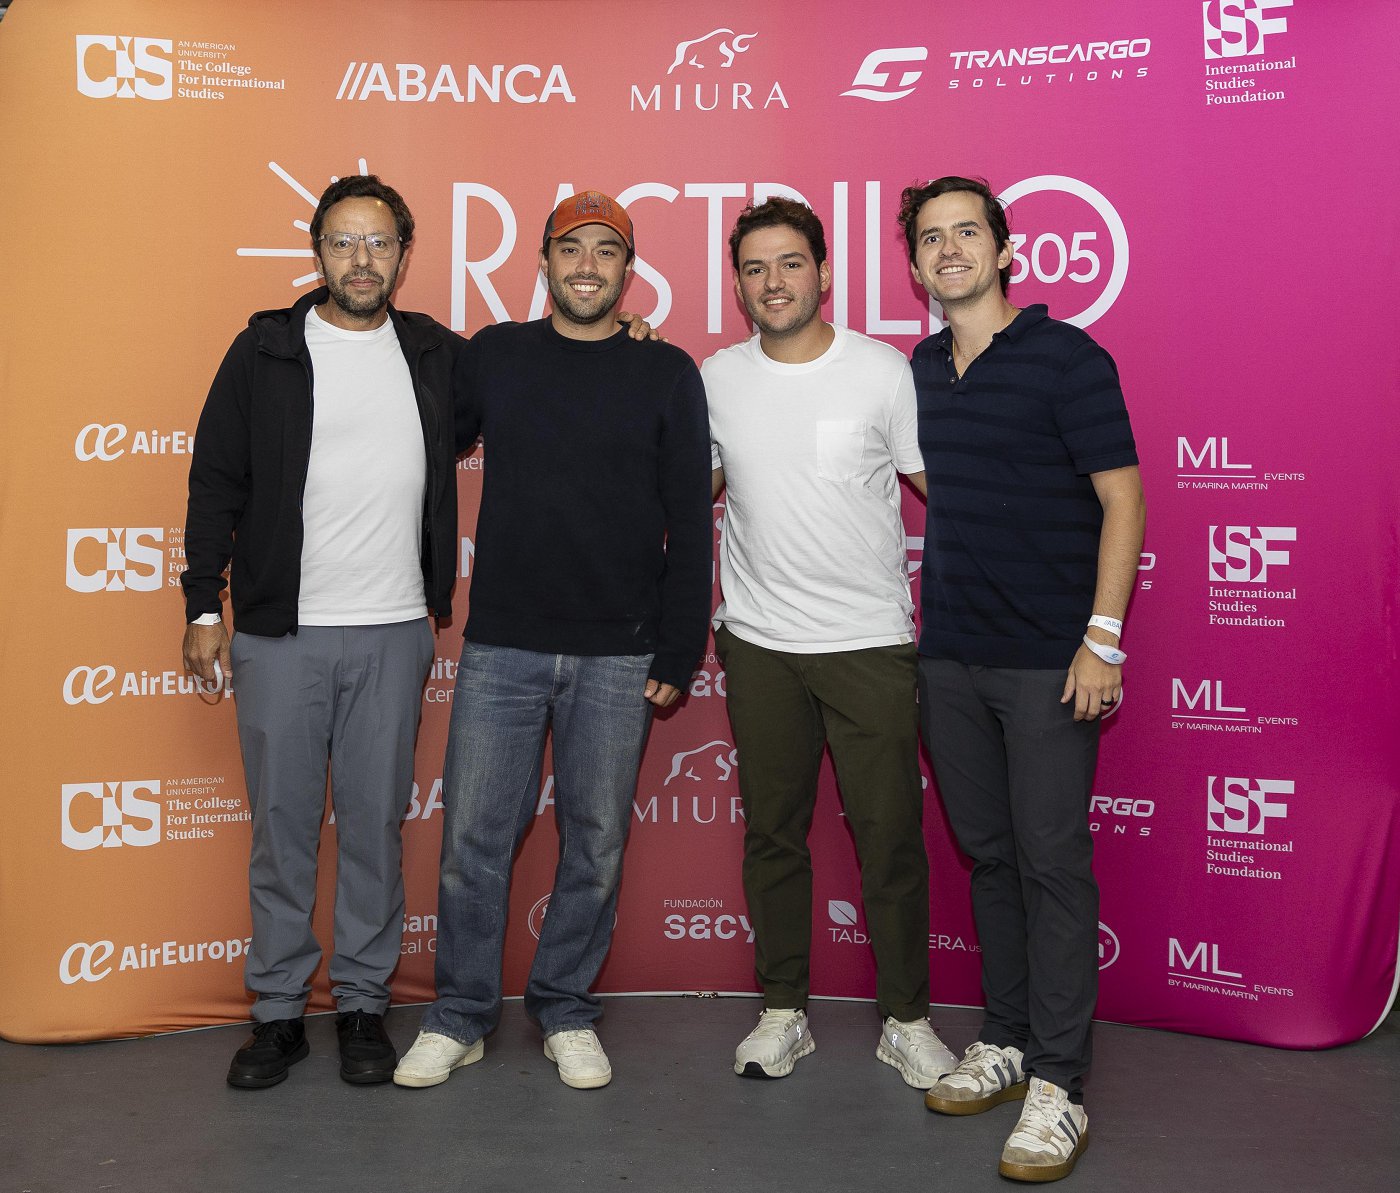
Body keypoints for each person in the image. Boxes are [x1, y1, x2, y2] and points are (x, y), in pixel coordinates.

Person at [393, 191, 713, 1091]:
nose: (587, 265)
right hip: (503, 644)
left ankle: (566, 1007)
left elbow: (691, 519)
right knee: (473, 842)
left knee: (596, 844)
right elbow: (421, 430)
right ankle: (460, 1015)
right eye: (572, 248)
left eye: (606, 251)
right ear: (543, 261)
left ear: (629, 271)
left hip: (621, 652)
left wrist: (679, 648)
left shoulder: (667, 371)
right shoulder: (496, 355)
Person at [182, 175, 459, 1088]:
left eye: (379, 242)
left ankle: (365, 1005)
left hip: (393, 631)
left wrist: (625, 334)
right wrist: (203, 606)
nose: (361, 259)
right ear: (317, 253)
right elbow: (215, 480)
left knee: (375, 828)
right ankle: (277, 1012)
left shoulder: (434, 354)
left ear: (403, 256)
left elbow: (542, 379)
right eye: (343, 241)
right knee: (283, 832)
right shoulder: (264, 348)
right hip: (278, 634)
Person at [898, 176, 1145, 1182]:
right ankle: (1003, 1038)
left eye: (968, 232)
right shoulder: (918, 368)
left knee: (1050, 864)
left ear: (1005, 251)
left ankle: (1058, 1082)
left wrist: (1102, 639)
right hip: (949, 654)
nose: (949, 249)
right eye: (931, 237)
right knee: (991, 858)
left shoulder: (1068, 357)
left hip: (1051, 659)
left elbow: (1122, 498)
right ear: (915, 263)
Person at [704, 197, 954, 1088]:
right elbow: (691, 489)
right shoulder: (717, 377)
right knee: (772, 835)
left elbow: (939, 489)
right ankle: (783, 1012)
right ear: (739, 286)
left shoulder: (882, 372)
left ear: (823, 272)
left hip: (870, 645)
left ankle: (907, 1020)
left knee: (890, 837)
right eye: (755, 268)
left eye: (790, 263)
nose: (773, 282)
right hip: (760, 644)